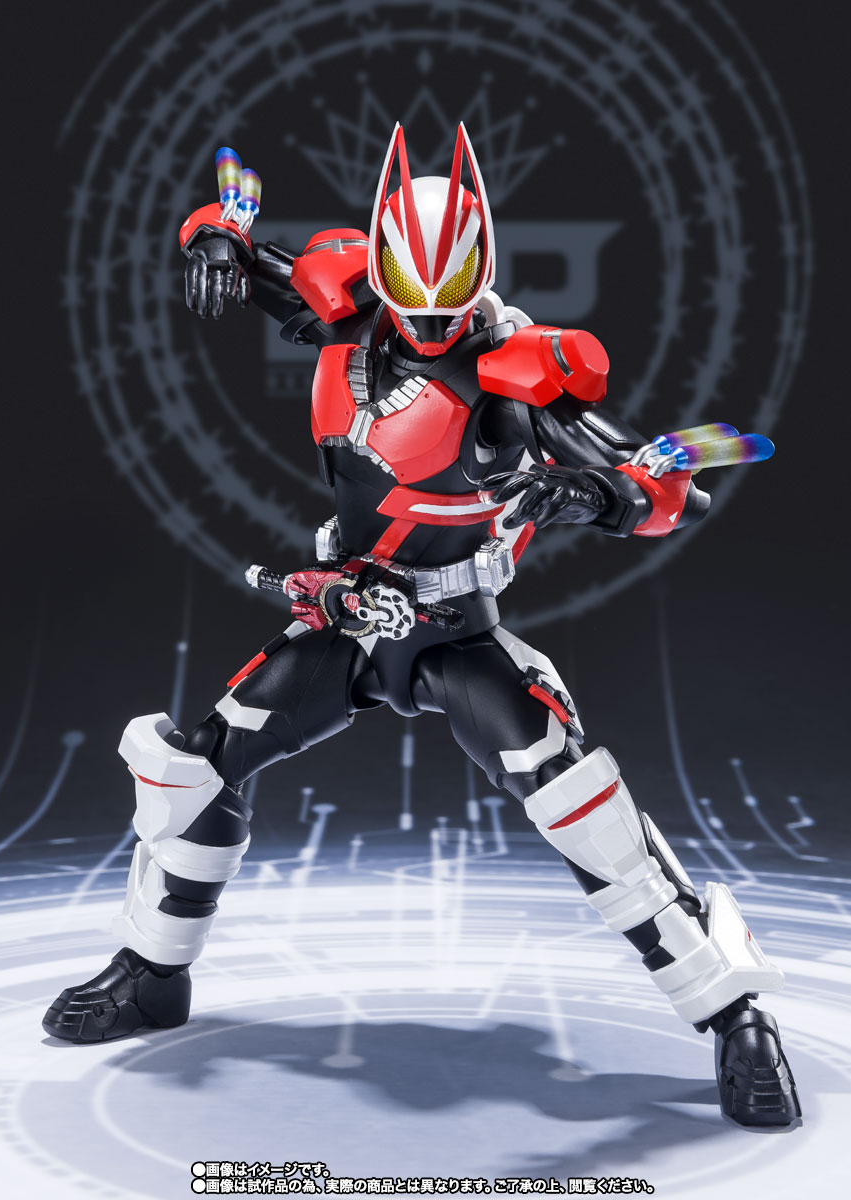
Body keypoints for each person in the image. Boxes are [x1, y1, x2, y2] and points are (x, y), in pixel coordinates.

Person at [44, 125, 800, 1128]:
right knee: (195, 769)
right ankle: (150, 975)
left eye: (452, 298)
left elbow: (665, 490)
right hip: (349, 616)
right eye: (414, 295)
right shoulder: (345, 309)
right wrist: (215, 238)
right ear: (385, 269)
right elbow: (235, 235)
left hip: (451, 632)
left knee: (578, 801)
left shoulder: (516, 371)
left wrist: (598, 494)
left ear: (481, 268)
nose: (435, 319)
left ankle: (734, 1015)